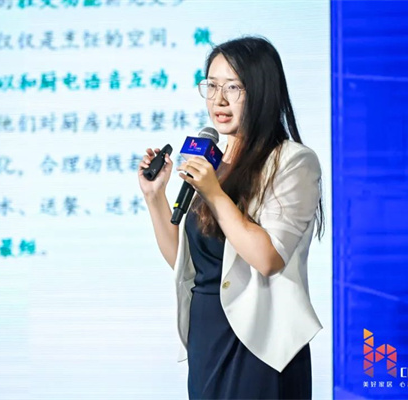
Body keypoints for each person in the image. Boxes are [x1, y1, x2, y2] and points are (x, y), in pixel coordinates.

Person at [137, 36, 324, 399]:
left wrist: (214, 193)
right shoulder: (210, 161)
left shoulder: (292, 161)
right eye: (211, 85)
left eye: (233, 87)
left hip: (261, 342)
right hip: (207, 335)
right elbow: (184, 260)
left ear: (261, 91)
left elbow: (268, 259)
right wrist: (154, 196)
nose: (218, 100)